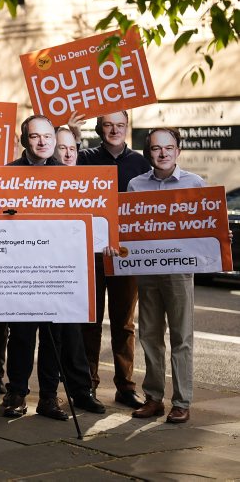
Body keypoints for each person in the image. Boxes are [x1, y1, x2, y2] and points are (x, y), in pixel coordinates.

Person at [2, 116, 104, 420]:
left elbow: (86, 220)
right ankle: (16, 394)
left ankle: (48, 397)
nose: (42, 141)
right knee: (21, 335)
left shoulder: (68, 176)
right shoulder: (6, 174)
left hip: (58, 269)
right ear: (25, 140)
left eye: (47, 136)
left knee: (53, 337)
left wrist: (105, 239)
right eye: (35, 136)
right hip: (21, 270)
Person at [108, 128, 207, 424]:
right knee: (150, 335)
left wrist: (218, 236)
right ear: (148, 153)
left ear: (178, 151)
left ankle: (181, 402)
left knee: (181, 336)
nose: (163, 153)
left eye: (168, 147)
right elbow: (127, 226)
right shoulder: (136, 185)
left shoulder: (194, 183)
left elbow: (205, 224)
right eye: (156, 148)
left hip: (178, 271)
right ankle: (153, 398)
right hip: (147, 270)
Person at [75, 111, 150, 409]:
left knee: (124, 323)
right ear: (99, 128)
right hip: (91, 253)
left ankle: (125, 387)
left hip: (125, 254)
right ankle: (88, 385)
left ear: (127, 128)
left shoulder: (141, 163)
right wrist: (73, 133)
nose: (114, 130)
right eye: (108, 125)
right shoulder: (84, 158)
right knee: (90, 322)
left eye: (120, 125)